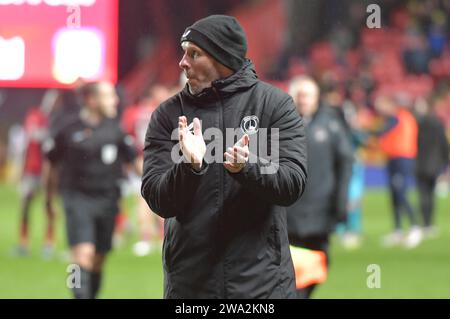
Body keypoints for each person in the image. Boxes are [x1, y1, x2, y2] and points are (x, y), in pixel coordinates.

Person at [141, 15, 307, 299]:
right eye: (184, 53)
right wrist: (189, 167)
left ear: (223, 58)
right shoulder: (168, 115)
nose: (183, 62)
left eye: (195, 54)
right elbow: (158, 199)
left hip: (262, 285)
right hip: (191, 286)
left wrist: (247, 168)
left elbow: (292, 184)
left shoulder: (274, 106)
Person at [44, 81, 139, 299]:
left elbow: (136, 163)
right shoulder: (68, 129)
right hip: (76, 198)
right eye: (108, 96)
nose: (115, 100)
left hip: (107, 200)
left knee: (97, 259)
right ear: (91, 100)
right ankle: (77, 295)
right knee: (81, 255)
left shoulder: (115, 131)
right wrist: (49, 199)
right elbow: (51, 163)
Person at [286, 76, 353, 299]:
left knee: (320, 262)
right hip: (288, 212)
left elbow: (345, 162)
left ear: (316, 98)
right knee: (288, 268)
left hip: (320, 210)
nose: (303, 99)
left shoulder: (331, 124)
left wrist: (341, 202)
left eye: (308, 95)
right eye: (299, 94)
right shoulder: (279, 123)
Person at [15, 89, 60, 258]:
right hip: (32, 169)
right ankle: (23, 242)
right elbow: (30, 140)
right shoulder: (35, 115)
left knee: (48, 205)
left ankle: (49, 243)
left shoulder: (57, 120)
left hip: (48, 171)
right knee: (25, 204)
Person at [374, 93, 421, 248]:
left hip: (402, 158)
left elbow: (382, 131)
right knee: (395, 194)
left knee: (400, 192)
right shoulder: (402, 117)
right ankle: (398, 230)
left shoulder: (399, 117)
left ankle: (415, 227)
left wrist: (364, 132)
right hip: (395, 158)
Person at [414, 97, 449, 238]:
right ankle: (430, 224)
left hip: (419, 163)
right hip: (434, 164)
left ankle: (425, 223)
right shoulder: (438, 124)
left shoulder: (418, 123)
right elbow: (444, 145)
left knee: (423, 194)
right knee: (430, 195)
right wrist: (445, 163)